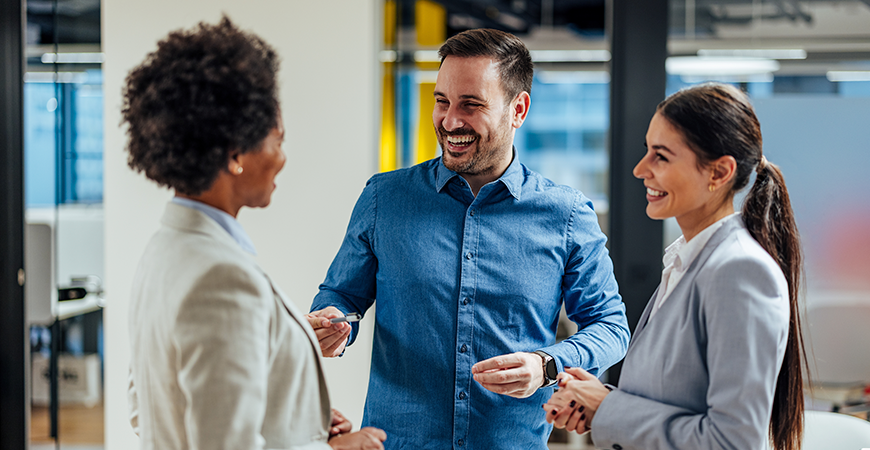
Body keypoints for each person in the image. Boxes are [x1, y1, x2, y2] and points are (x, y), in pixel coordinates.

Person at [308, 28, 629, 449]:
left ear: (519, 109)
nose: (450, 120)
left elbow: (611, 326)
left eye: (471, 105)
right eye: (441, 101)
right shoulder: (384, 198)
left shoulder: (566, 214)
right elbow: (340, 296)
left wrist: (546, 365)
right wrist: (330, 325)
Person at [123, 17, 386, 450]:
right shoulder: (220, 278)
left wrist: (302, 422)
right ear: (234, 154)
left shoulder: (165, 249)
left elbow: (149, 405)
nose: (283, 159)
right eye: (277, 140)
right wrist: (334, 449)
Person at [543, 82, 806, 450]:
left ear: (718, 173)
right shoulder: (687, 260)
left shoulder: (739, 271)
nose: (640, 169)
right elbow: (678, 396)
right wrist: (598, 403)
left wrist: (609, 408)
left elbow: (732, 441)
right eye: (647, 151)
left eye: (661, 157)